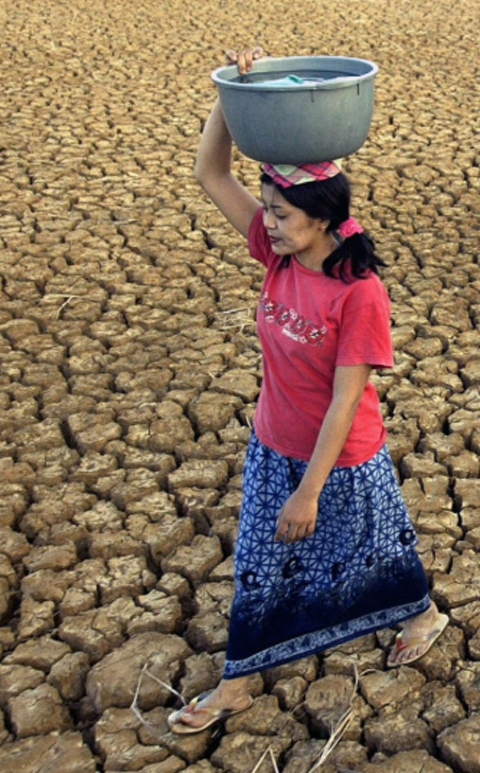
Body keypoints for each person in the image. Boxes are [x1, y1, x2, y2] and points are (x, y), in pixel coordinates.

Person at [168, 47, 449, 733]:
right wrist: (235, 94)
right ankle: (238, 684)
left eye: (281, 214)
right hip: (273, 445)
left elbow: (346, 400)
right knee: (259, 570)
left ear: (321, 219)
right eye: (264, 209)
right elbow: (210, 172)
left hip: (340, 459)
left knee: (380, 549)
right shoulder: (276, 253)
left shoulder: (358, 293)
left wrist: (309, 489)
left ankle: (421, 613)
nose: (266, 222)